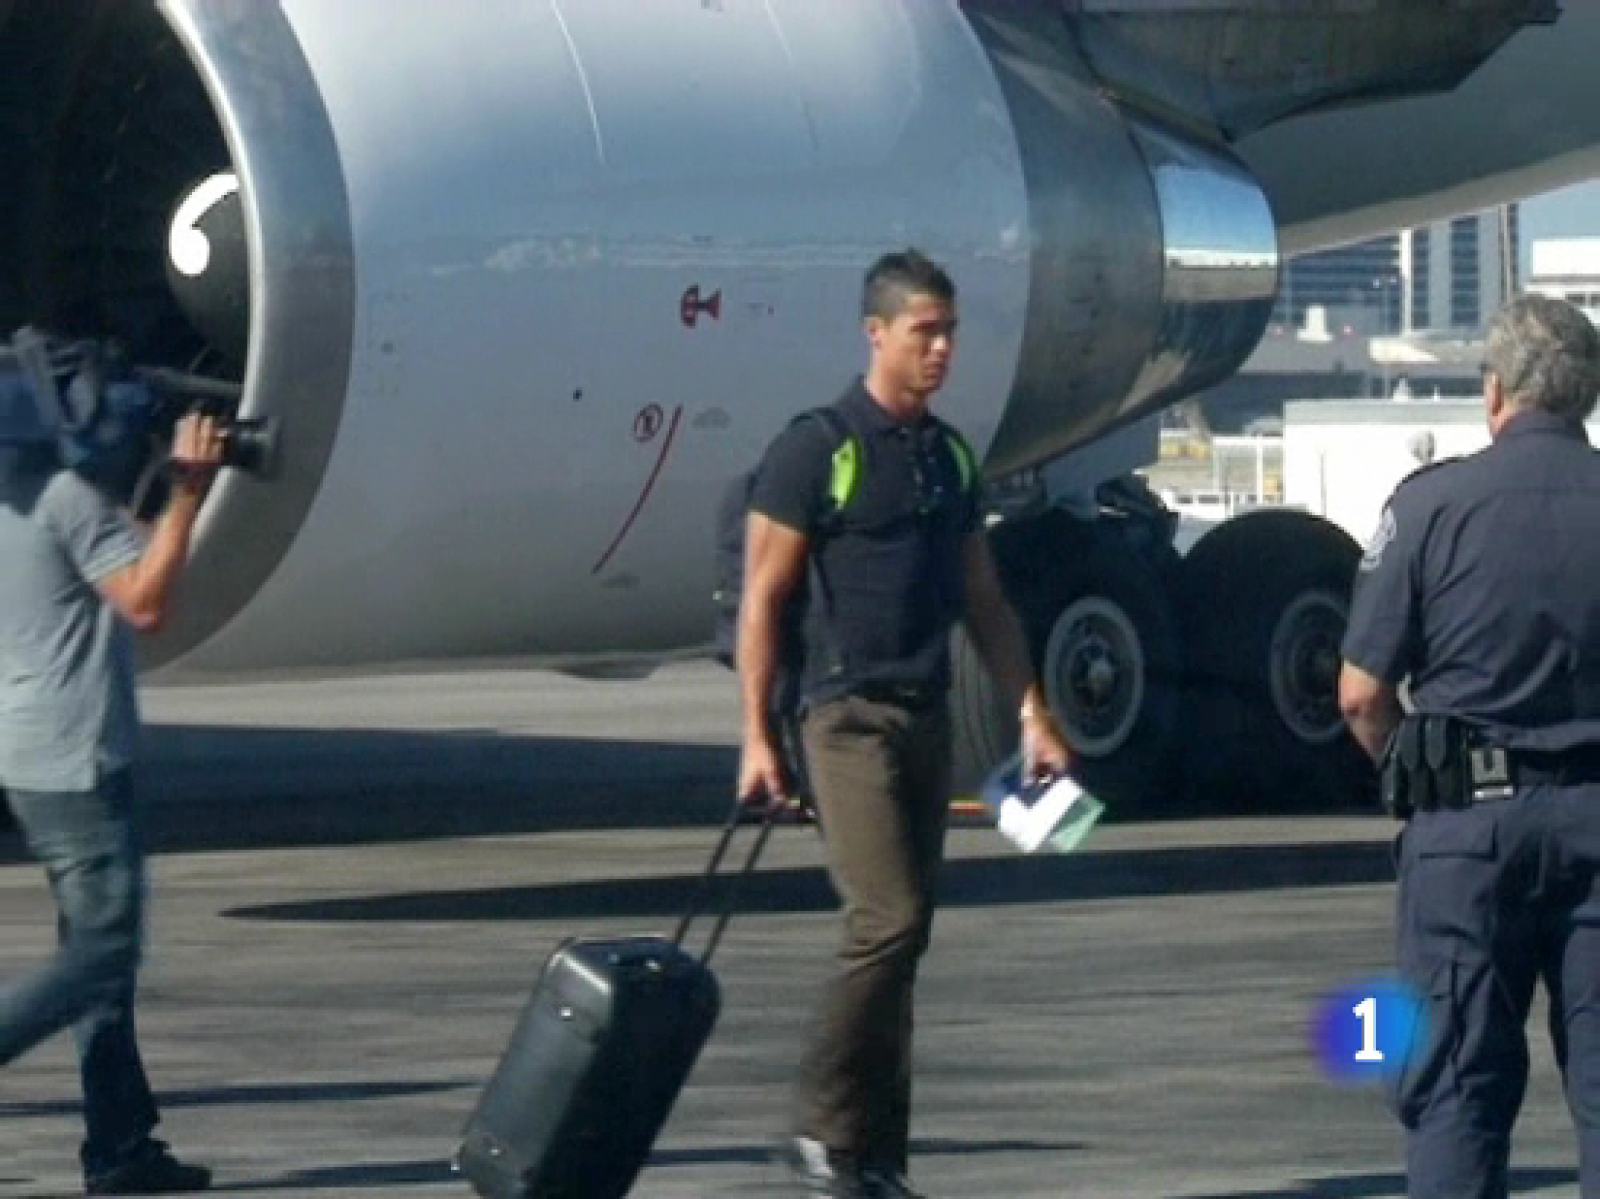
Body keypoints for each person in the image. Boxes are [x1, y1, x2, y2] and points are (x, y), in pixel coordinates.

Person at [737, 248, 1071, 1199]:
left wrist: (1031, 715)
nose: (942, 350)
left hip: (924, 715)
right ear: (874, 332)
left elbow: (985, 600)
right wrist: (759, 736)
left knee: (908, 939)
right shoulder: (819, 447)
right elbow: (766, 596)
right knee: (887, 919)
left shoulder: (947, 455)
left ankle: (876, 1157)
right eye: (925, 331)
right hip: (846, 717)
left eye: (950, 332)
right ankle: (820, 1128)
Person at [1339, 293, 1600, 1199]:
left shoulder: (1431, 506)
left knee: (1455, 1094)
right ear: (1588, 398)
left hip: (1466, 830)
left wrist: (1415, 772)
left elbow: (1362, 694)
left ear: (1495, 392)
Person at [0, 374, 225, 1195]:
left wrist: (152, 496)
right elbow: (146, 600)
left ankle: (121, 1147)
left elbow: (104, 559)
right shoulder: (63, 499)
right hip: (81, 759)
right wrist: (191, 493)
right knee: (101, 957)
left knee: (99, 965)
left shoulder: (23, 500)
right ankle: (117, 1145)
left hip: (27, 756)